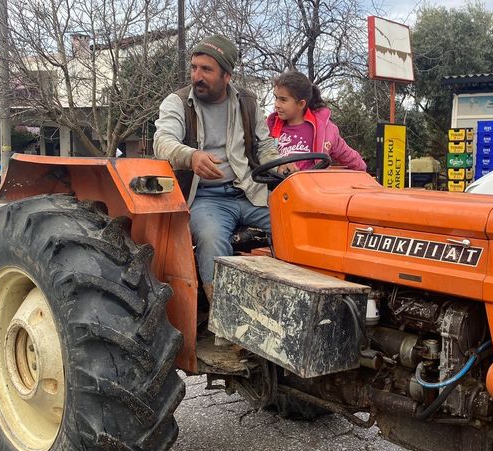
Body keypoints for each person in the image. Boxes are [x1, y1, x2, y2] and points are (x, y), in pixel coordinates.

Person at [154, 34, 283, 302]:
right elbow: (163, 142)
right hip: (206, 198)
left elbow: (265, 143)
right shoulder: (177, 103)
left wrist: (277, 165)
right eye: (194, 67)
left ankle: (285, 299)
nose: (196, 76)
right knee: (212, 239)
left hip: (250, 192)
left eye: (206, 69)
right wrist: (191, 157)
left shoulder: (247, 102)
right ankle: (222, 312)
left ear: (227, 76)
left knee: (291, 226)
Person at [267, 70, 367, 172]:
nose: (277, 104)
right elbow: (263, 155)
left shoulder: (325, 130)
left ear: (301, 104)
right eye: (276, 98)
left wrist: (362, 169)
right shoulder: (270, 127)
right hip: (279, 185)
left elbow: (345, 153)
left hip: (313, 185)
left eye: (283, 100)